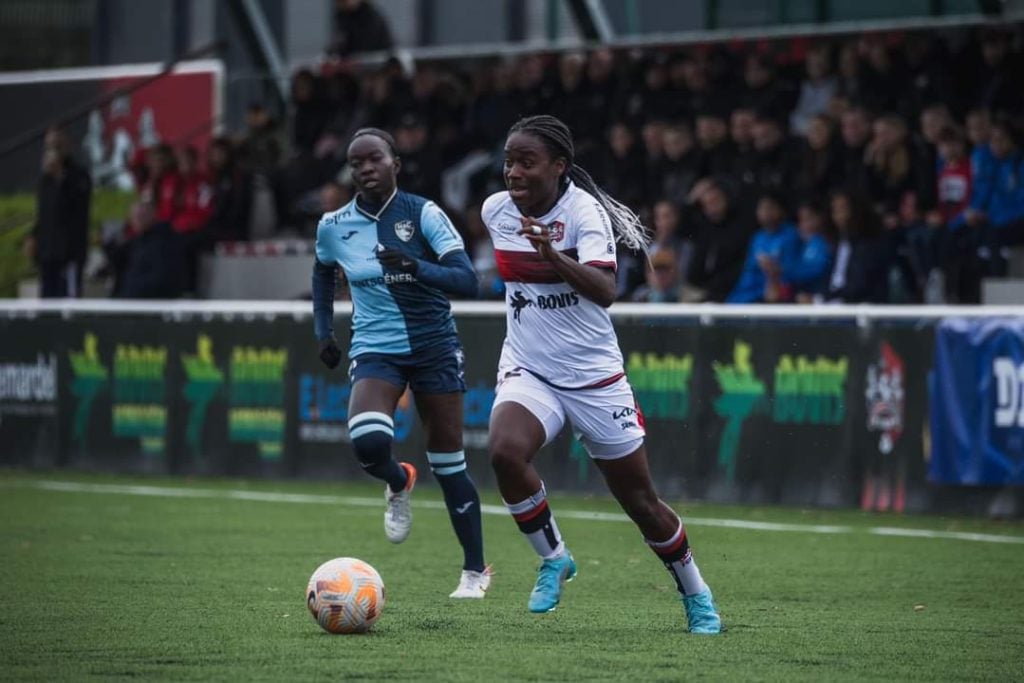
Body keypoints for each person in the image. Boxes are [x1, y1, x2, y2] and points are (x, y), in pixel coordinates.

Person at [481, 114, 722, 633]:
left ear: (559, 166)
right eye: (508, 161)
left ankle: (697, 595)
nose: (513, 173)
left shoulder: (585, 214)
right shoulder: (496, 211)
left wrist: (550, 254)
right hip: (530, 368)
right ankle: (554, 559)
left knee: (640, 502)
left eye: (527, 162)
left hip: (595, 378)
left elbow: (605, 291)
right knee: (504, 450)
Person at [311, 127, 489, 599]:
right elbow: (323, 272)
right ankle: (398, 479)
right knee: (368, 441)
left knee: (450, 464)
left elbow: (468, 281)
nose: (365, 168)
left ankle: (474, 572)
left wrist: (416, 267)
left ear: (395, 164)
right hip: (376, 348)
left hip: (434, 346)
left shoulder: (423, 213)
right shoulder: (334, 225)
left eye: (374, 159)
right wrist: (323, 331)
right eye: (356, 163)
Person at [30, 128, 92, 298]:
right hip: (48, 253)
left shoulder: (79, 176)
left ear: (67, 145)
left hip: (69, 253)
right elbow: (44, 212)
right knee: (47, 301)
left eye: (57, 146)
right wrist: (34, 236)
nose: (53, 151)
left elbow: (77, 210)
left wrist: (60, 178)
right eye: (49, 147)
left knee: (68, 302)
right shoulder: (45, 180)